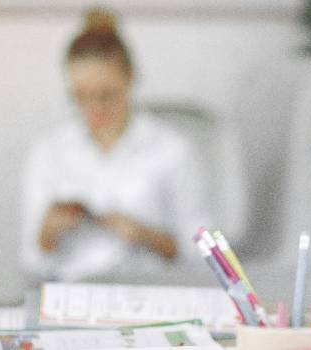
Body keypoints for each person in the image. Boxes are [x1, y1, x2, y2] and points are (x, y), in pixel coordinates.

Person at [20, 8, 211, 284]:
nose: (95, 108)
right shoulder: (48, 152)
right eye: (82, 97)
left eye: (106, 95)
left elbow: (206, 253)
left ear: (130, 79)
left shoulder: (171, 149)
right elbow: (29, 262)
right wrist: (47, 236)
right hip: (72, 291)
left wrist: (147, 236)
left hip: (150, 290)